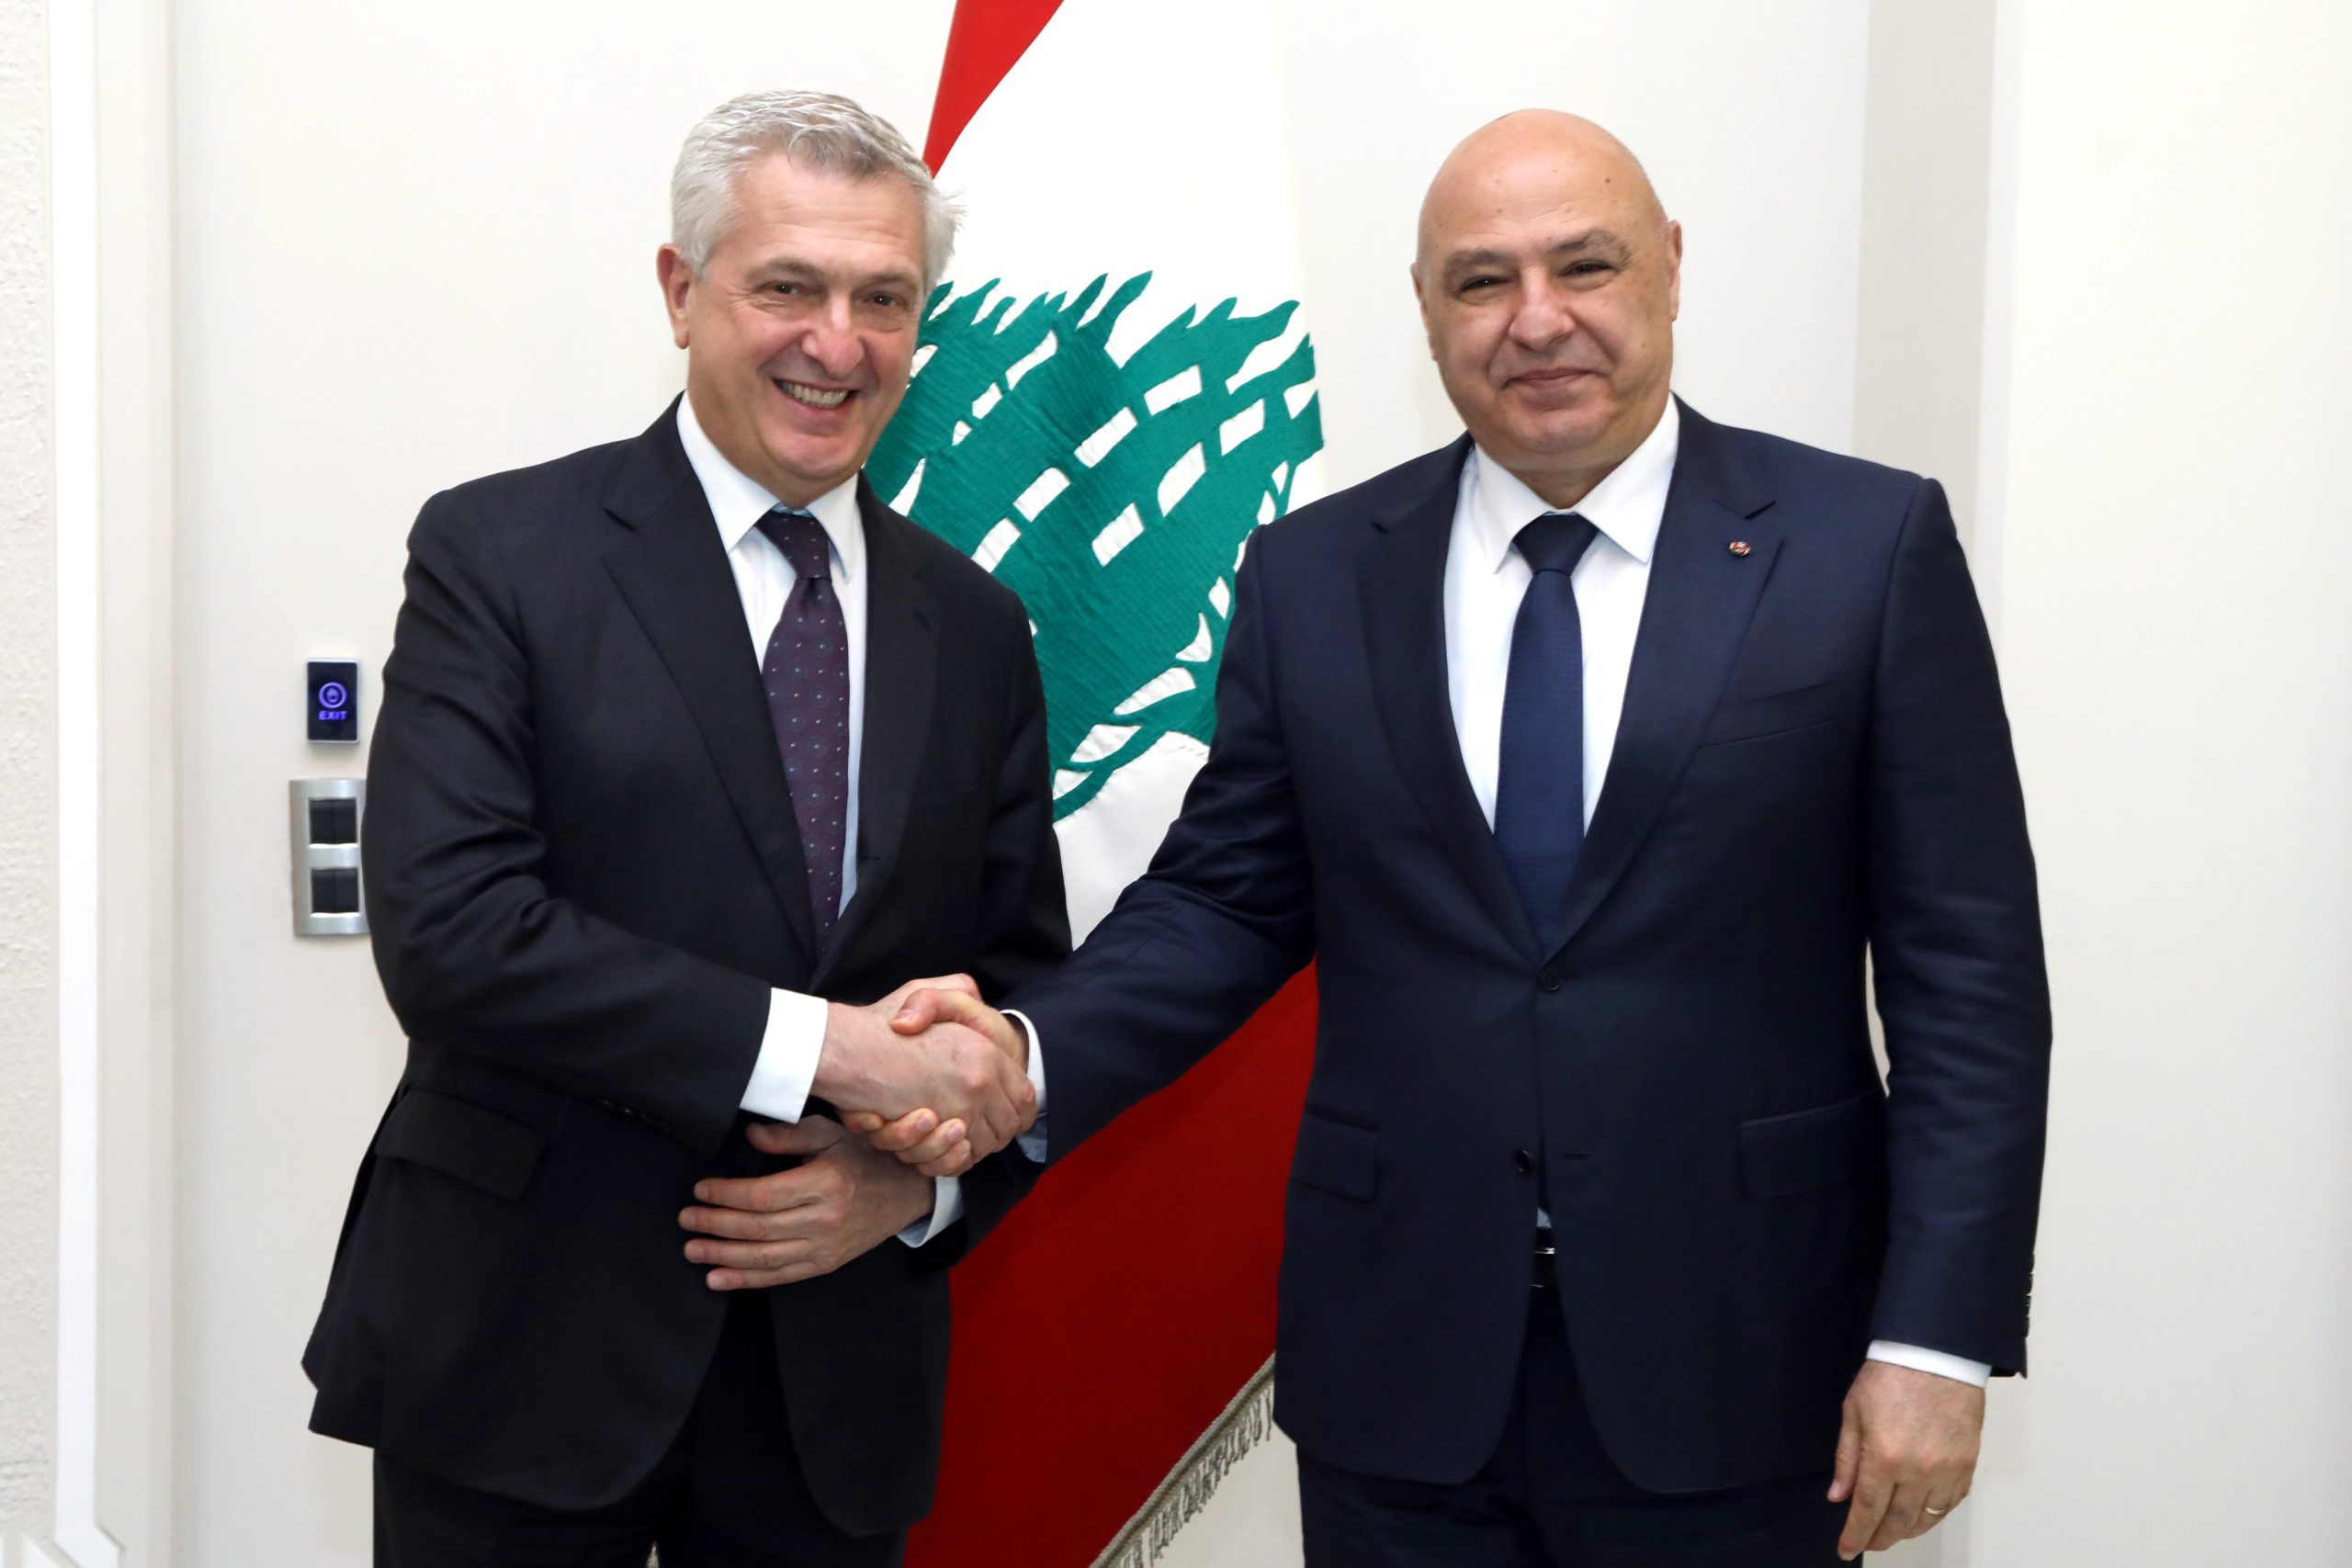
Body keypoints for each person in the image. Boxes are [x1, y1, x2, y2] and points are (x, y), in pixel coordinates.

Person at [878, 109, 2050, 1564]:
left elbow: (1968, 983)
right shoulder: (1313, 573)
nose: (1537, 320)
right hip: (1403, 1374)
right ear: (1426, 309)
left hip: (1748, 1364)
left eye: (1585, 265)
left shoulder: (1863, 549)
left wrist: (1933, 1340)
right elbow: (1227, 906)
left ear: (1671, 267)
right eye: (1483, 280)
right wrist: (1020, 1052)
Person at [302, 90, 1062, 1566]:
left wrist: (918, 1187)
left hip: (834, 1384)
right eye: (788, 287)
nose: (837, 342)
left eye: (884, 299)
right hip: (521, 1350)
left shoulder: (976, 626)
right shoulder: (500, 553)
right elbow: (454, 934)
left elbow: (1018, 990)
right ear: (680, 290)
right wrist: (831, 1050)